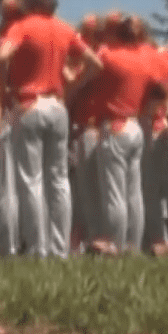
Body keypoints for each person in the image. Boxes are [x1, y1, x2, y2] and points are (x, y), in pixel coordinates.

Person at [0, 0, 100, 259]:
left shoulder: (22, 27)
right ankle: (59, 247)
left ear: (30, 0)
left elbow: (2, 56)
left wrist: (4, 89)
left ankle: (38, 247)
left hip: (29, 103)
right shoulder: (64, 29)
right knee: (59, 179)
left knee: (31, 179)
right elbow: (95, 63)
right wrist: (73, 84)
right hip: (57, 105)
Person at [89, 13, 159, 254]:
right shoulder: (143, 59)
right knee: (133, 191)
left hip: (115, 124)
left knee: (115, 192)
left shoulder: (108, 54)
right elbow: (158, 90)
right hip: (135, 123)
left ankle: (116, 244)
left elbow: (90, 69)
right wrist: (146, 111)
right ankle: (133, 245)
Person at [0, 0, 23, 256]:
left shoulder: (9, 37)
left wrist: (3, 87)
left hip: (13, 109)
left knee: (8, 183)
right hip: (45, 106)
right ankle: (37, 244)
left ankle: (9, 245)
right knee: (41, 182)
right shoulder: (36, 31)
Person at [134, 16, 168, 252]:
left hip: (149, 124)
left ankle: (156, 240)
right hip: (161, 125)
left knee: (147, 189)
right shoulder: (163, 56)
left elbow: (159, 91)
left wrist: (149, 112)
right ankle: (159, 238)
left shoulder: (146, 56)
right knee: (158, 190)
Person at [68, 13, 107, 253]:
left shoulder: (97, 59)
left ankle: (95, 241)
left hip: (91, 127)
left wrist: (70, 83)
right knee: (83, 192)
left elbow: (72, 92)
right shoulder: (96, 57)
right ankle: (89, 241)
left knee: (90, 191)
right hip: (90, 128)